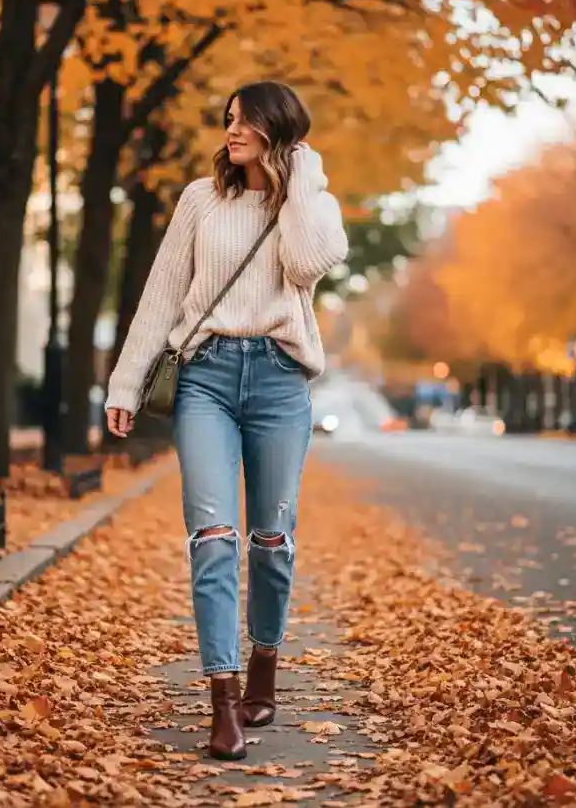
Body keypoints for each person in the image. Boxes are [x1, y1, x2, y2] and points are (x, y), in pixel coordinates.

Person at [105, 80, 348, 760]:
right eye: (228, 119)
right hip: (204, 377)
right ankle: (223, 696)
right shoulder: (198, 200)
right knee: (213, 537)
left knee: (272, 538)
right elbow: (160, 297)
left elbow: (308, 264)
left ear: (276, 128)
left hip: (278, 381)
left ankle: (265, 664)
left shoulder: (311, 204)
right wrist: (125, 383)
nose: (230, 129)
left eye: (243, 120)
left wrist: (300, 177)